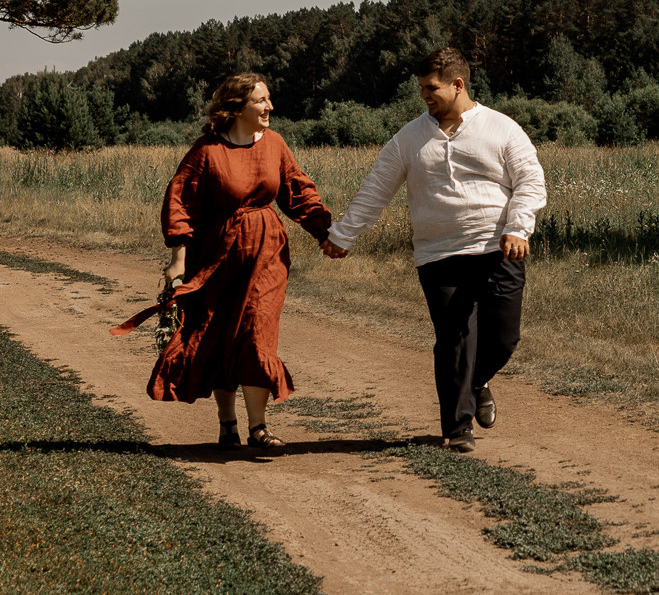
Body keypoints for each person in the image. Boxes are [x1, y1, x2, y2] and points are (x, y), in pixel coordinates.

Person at [321, 48, 546, 453]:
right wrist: (344, 235)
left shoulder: (502, 129)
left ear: (457, 84)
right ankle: (458, 429)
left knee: (504, 337)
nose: (424, 95)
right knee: (454, 337)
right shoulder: (408, 139)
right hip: (438, 253)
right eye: (422, 88)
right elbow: (376, 188)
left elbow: (530, 182)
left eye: (431, 88)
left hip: (498, 248)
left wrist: (517, 228)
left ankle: (476, 382)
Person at [146, 72, 332, 452]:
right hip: (215, 256)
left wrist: (327, 233)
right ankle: (227, 424)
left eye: (268, 99)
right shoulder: (207, 151)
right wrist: (178, 259)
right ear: (238, 107)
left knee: (257, 332)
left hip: (267, 253)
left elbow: (297, 191)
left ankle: (259, 427)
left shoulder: (275, 144)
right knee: (218, 333)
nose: (270, 107)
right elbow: (182, 201)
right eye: (262, 100)